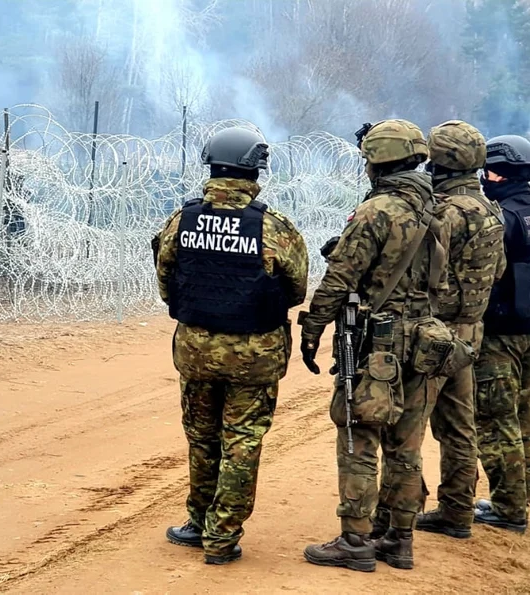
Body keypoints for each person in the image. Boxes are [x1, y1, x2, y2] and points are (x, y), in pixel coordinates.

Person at [153, 126, 309, 565]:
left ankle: (197, 522)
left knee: (202, 439)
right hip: (255, 353)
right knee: (242, 442)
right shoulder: (274, 227)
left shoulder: (182, 220)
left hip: (197, 351)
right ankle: (221, 538)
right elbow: (296, 288)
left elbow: (167, 281)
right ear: (256, 169)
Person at [299, 119, 440, 572]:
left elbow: (340, 278)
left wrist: (312, 327)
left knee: (359, 435)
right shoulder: (436, 209)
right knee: (407, 445)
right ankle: (399, 539)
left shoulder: (378, 210)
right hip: (423, 339)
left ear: (377, 161)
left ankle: (355, 541)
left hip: (375, 341)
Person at [414, 121, 506, 540]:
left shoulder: (442, 212)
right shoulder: (491, 210)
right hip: (470, 333)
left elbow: (417, 273)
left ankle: (400, 510)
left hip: (432, 334)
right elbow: (498, 269)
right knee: (459, 427)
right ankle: (456, 511)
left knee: (406, 424)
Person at [472, 134, 530, 533]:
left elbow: (481, 275)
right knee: (524, 419)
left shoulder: (502, 219)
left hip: (500, 332)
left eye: (486, 171)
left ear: (498, 173)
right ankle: (518, 499)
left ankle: (508, 509)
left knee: (495, 420)